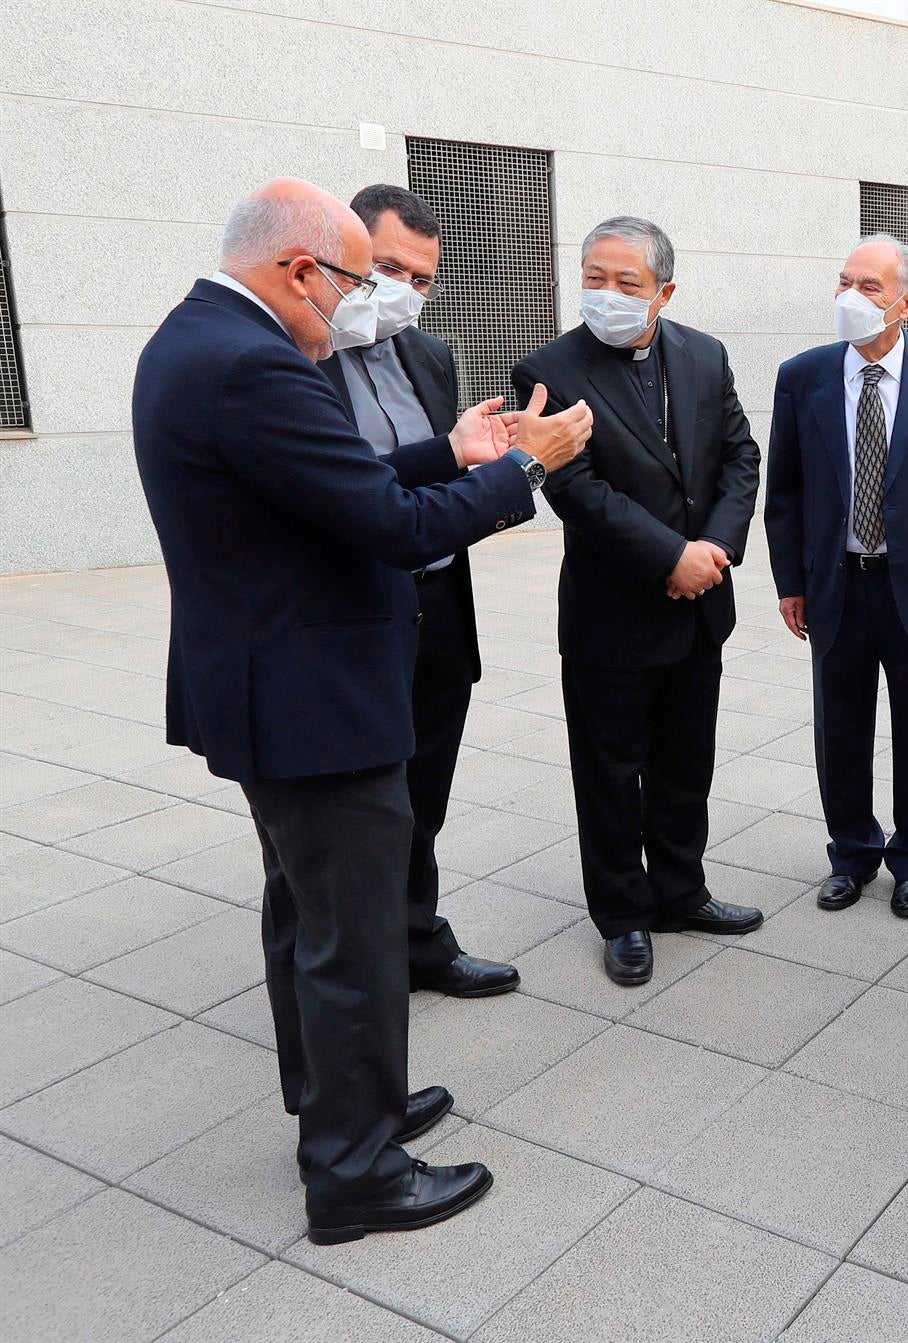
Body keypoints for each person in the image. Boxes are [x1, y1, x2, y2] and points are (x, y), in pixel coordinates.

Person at [130, 178, 589, 1244]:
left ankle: (338, 1102)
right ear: (299, 270)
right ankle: (358, 1171)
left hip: (277, 687)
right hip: (313, 698)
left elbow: (333, 483)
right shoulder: (254, 363)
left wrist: (454, 452)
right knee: (352, 938)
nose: (358, 306)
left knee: (308, 917)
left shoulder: (198, 338)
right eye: (352, 281)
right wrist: (528, 465)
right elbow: (389, 523)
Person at [513, 217, 763, 989]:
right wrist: (670, 556)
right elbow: (574, 489)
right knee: (611, 774)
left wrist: (712, 550)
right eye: (594, 277)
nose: (607, 293)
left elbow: (739, 457)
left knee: (686, 764)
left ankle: (682, 892)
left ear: (664, 291)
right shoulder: (549, 369)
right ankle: (623, 914)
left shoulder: (704, 354)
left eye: (627, 282)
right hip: (611, 613)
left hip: (698, 603)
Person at [315, 184, 519, 999]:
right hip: (353, 616)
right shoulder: (298, 353)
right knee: (360, 808)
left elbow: (442, 483)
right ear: (347, 255)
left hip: (438, 608)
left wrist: (497, 466)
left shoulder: (428, 354)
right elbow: (349, 495)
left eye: (422, 278)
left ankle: (416, 939)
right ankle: (357, 964)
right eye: (388, 268)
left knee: (422, 796)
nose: (403, 289)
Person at [764, 236, 908, 917]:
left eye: (868, 286)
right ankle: (852, 852)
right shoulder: (802, 376)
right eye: (844, 282)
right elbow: (785, 492)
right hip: (836, 582)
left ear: (906, 302)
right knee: (839, 727)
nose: (850, 297)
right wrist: (790, 583)